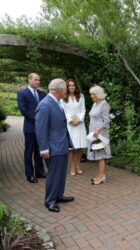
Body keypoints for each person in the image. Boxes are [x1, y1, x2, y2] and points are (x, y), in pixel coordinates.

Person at [35, 79, 74, 213]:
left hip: (61, 145)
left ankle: (59, 195)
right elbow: (40, 129)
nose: (66, 92)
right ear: (60, 90)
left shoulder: (56, 102)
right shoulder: (45, 104)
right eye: (65, 90)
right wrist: (44, 148)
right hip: (52, 147)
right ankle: (50, 201)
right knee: (53, 174)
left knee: (61, 173)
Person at [17, 73, 47, 183]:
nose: (38, 82)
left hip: (41, 129)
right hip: (30, 128)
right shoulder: (22, 93)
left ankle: (40, 172)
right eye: (36, 80)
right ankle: (30, 175)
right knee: (29, 152)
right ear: (29, 80)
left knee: (40, 151)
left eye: (39, 80)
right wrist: (38, 120)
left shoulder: (43, 94)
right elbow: (23, 110)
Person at [61, 79, 87, 176]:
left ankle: (78, 165)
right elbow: (63, 111)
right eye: (70, 85)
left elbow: (83, 110)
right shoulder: (63, 97)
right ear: (67, 87)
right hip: (70, 124)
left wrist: (79, 120)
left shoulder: (81, 96)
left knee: (80, 146)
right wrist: (71, 120)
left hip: (79, 124)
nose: (72, 87)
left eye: (73, 85)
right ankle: (72, 166)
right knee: (71, 147)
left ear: (76, 86)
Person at [87, 86, 111, 185]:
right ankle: (100, 175)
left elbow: (107, 121)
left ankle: (101, 176)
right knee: (97, 154)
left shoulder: (104, 104)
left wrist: (98, 130)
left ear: (98, 94)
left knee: (100, 155)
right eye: (91, 94)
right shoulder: (94, 104)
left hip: (100, 133)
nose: (91, 96)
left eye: (93, 94)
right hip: (93, 133)